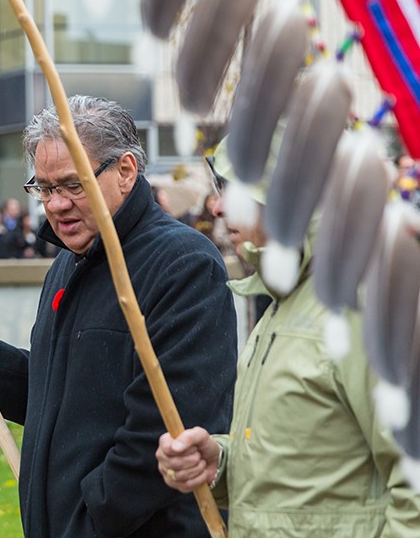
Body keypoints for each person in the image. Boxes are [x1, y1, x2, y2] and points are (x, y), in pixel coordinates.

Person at [0, 96, 237, 537]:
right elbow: (72, 395)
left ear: (126, 172)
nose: (55, 205)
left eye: (73, 185)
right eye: (45, 188)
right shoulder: (68, 261)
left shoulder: (183, 263)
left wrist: (84, 520)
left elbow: (167, 430)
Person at [156, 138, 420, 537]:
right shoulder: (287, 301)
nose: (218, 206)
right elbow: (306, 466)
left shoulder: (361, 307)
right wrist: (220, 463)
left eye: (233, 188)